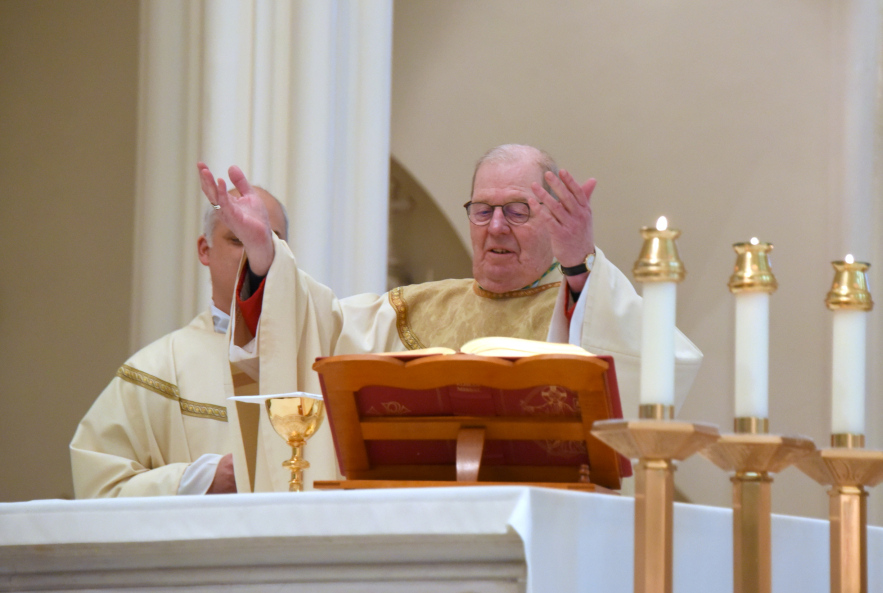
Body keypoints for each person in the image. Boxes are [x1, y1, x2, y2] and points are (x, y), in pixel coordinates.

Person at [199, 144, 703, 492]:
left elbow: (660, 364)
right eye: (482, 210)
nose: (496, 226)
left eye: (518, 211)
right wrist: (265, 254)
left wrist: (579, 267)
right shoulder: (411, 310)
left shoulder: (584, 301)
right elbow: (313, 326)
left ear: (555, 219)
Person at [69, 186, 288, 498]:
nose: (255, 251)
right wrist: (202, 480)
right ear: (204, 249)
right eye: (238, 239)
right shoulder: (156, 370)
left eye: (270, 240)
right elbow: (100, 490)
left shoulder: (317, 357)